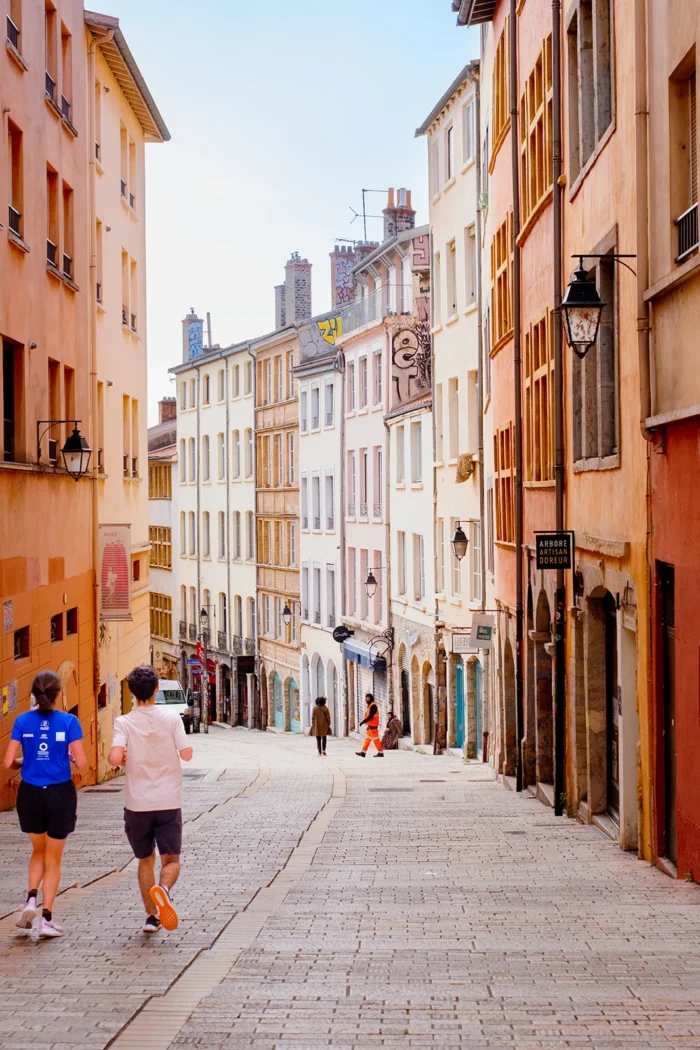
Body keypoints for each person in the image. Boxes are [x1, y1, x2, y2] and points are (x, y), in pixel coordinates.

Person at [2, 670, 88, 938]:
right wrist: (69, 757)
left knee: (38, 850)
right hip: (60, 794)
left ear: (34, 695)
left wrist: (26, 761)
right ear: (58, 693)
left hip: (30, 794)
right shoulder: (69, 721)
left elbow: (7, 763)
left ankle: (30, 899)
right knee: (54, 858)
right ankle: (46, 919)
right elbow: (82, 763)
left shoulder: (22, 721)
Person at [108, 665, 193, 934]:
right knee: (171, 860)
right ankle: (164, 890)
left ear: (131, 692)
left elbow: (114, 757)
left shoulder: (124, 722)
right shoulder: (171, 718)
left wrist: (122, 756)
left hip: (137, 804)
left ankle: (151, 918)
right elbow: (187, 754)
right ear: (157, 689)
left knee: (145, 859)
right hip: (168, 801)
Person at [356, 692, 384, 758]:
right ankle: (363, 752)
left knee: (376, 740)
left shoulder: (373, 706)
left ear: (371, 698)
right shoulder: (370, 705)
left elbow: (371, 716)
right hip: (370, 726)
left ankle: (380, 752)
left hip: (373, 726)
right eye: (366, 697)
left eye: (368, 698)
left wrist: (363, 722)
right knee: (367, 739)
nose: (367, 699)